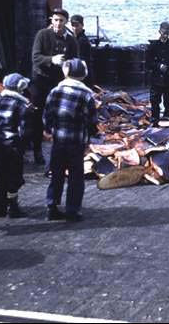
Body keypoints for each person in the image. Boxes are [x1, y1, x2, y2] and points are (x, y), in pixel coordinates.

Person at [43, 58, 97, 222]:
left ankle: (52, 206)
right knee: (75, 176)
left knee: (56, 173)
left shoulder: (55, 91)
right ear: (83, 75)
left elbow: (47, 114)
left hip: (58, 139)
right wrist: (91, 135)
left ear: (66, 73)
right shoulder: (86, 94)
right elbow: (91, 120)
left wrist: (49, 130)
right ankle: (73, 210)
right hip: (76, 141)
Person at [29, 8, 78, 165]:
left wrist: (68, 67)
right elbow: (36, 57)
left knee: (58, 117)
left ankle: (58, 153)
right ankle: (37, 151)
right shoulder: (42, 35)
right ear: (51, 20)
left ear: (66, 22)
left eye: (61, 20)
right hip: (40, 81)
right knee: (36, 116)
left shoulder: (71, 40)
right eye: (55, 20)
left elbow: (75, 61)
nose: (58, 23)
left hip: (58, 83)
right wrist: (51, 59)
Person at [0, 73, 34, 218]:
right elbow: (24, 130)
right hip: (14, 146)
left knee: (1, 176)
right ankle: (13, 207)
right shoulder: (22, 105)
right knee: (15, 178)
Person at [145, 21, 169, 126]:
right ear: (160, 31)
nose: (166, 33)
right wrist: (159, 66)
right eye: (164, 30)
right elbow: (148, 63)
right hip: (156, 78)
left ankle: (167, 118)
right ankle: (155, 120)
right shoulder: (153, 46)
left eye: (168, 31)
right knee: (155, 101)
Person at [70, 14, 93, 87]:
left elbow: (80, 60)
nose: (74, 28)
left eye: (77, 25)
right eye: (73, 25)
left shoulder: (82, 40)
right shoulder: (75, 38)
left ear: (82, 25)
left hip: (83, 74)